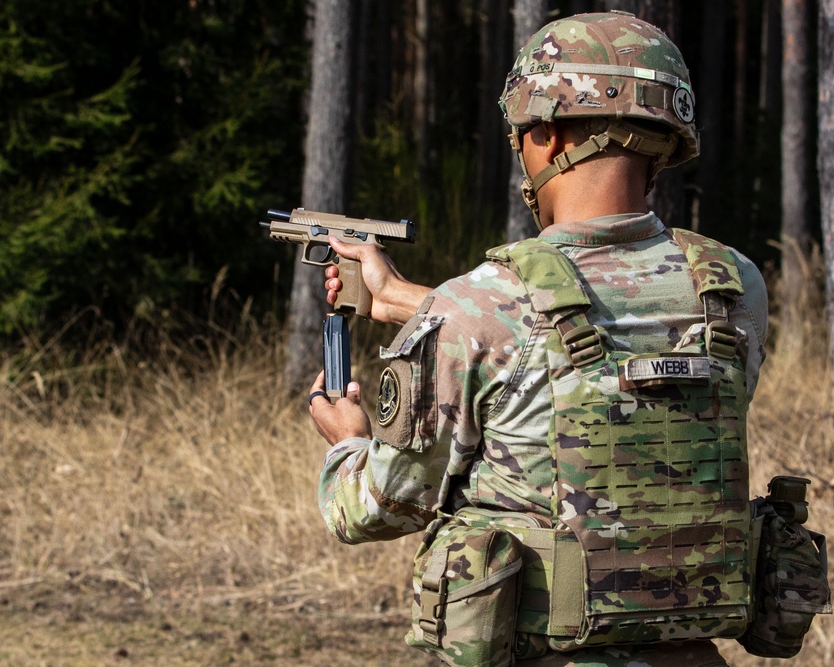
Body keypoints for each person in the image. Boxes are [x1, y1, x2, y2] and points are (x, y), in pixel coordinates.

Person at [308, 11, 768, 667]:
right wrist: (410, 301)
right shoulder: (733, 287)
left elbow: (373, 507)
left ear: (546, 134)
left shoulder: (479, 307)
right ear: (666, 139)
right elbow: (599, 342)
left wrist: (347, 441)